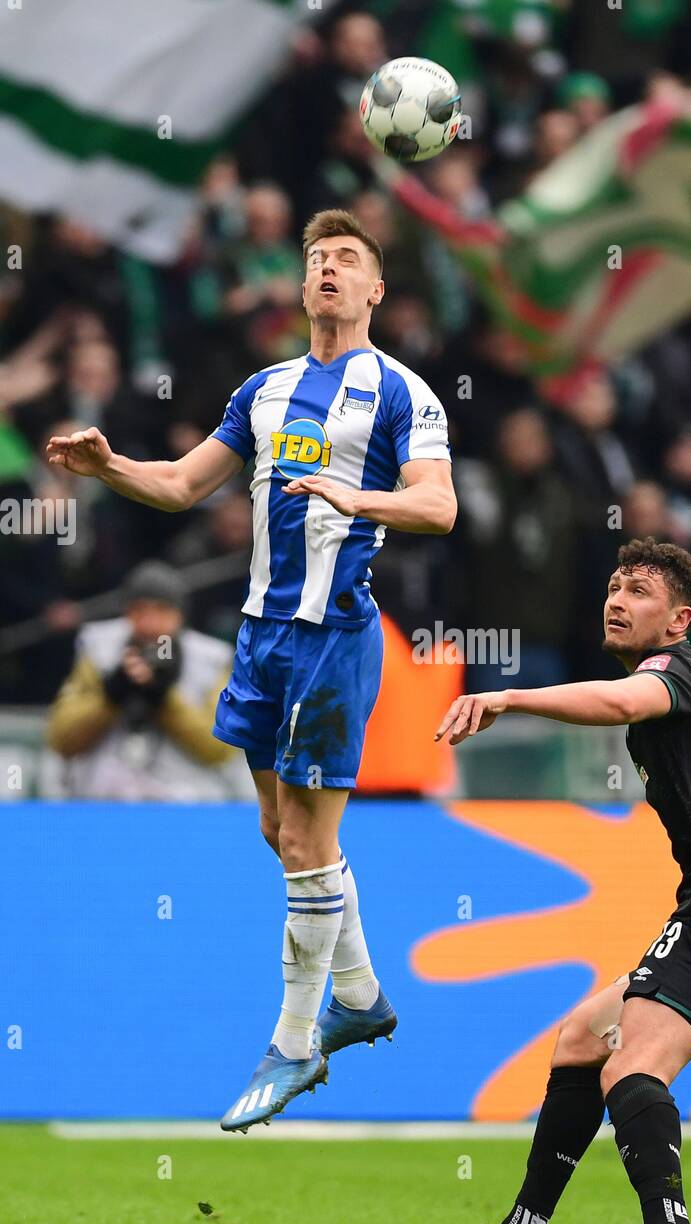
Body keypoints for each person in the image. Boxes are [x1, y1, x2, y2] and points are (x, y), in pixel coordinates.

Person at [46, 207, 457, 1132]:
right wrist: (109, 465)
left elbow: (439, 507)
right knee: (279, 832)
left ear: (374, 288)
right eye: (317, 258)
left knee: (309, 844)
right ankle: (359, 991)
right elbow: (184, 484)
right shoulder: (265, 390)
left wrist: (361, 495)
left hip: (332, 635)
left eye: (347, 259)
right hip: (260, 637)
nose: (328, 270)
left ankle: (295, 1042)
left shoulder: (403, 392)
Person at [434, 537, 691, 1224]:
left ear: (678, 620)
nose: (616, 598)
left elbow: (618, 699)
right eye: (612, 585)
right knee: (581, 1039)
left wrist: (506, 695)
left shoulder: (673, 672)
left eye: (638, 590)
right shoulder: (690, 690)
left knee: (629, 1066)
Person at [46, 561, 238, 801]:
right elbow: (61, 738)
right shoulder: (99, 649)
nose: (149, 623)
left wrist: (164, 698)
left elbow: (220, 748)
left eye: (160, 611)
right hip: (102, 803)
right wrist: (110, 696)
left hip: (186, 805)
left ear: (179, 615)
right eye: (139, 611)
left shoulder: (209, 659)